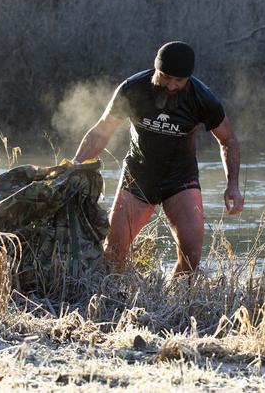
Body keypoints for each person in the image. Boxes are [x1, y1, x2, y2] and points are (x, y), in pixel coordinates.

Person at [72, 41, 243, 275]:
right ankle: (114, 303)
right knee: (113, 254)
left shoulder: (202, 98)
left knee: (191, 256)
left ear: (188, 79)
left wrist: (232, 184)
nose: (171, 85)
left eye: (179, 81)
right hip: (139, 175)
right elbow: (101, 132)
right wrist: (75, 166)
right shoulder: (133, 89)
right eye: (166, 77)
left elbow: (229, 141)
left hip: (180, 178)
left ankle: (174, 305)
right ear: (156, 69)